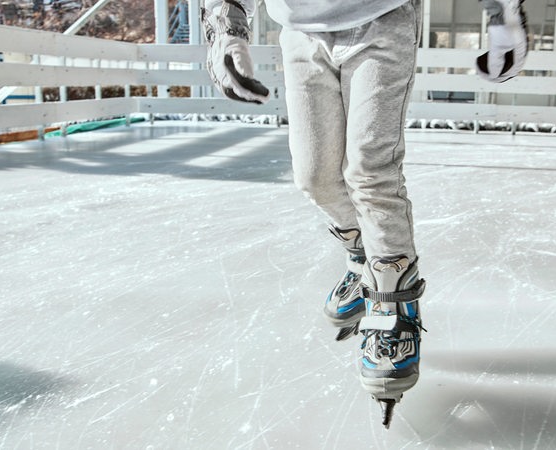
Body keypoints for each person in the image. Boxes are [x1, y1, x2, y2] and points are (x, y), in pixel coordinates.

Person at [201, 0, 527, 427]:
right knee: (314, 176)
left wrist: (504, 17)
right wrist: (225, 29)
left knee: (371, 170)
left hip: (381, 17)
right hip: (300, 29)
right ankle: (362, 259)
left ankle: (394, 295)